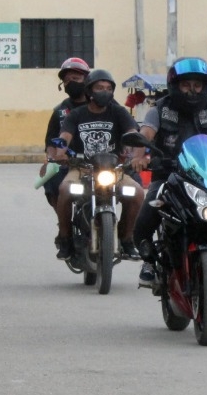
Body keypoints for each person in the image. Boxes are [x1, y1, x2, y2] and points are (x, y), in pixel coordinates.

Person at [132, 57, 207, 286]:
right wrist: (139, 156)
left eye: (197, 85)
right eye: (186, 85)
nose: (192, 91)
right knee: (148, 211)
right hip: (169, 175)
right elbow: (145, 133)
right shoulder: (160, 109)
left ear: (205, 86)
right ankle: (149, 260)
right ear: (175, 85)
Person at [54, 68, 144, 258]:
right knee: (64, 189)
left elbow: (131, 132)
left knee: (136, 193)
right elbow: (65, 136)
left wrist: (137, 154)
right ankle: (65, 238)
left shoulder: (118, 112)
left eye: (108, 88)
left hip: (114, 169)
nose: (104, 92)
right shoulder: (76, 115)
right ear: (89, 91)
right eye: (99, 88)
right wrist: (61, 151)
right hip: (81, 168)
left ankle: (127, 239)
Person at [42, 57, 92, 256]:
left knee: (134, 187)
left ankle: (124, 237)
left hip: (102, 162)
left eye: (77, 77)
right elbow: (51, 143)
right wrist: (51, 159)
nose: (72, 82)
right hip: (70, 163)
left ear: (87, 79)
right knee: (53, 182)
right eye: (68, 79)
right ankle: (65, 231)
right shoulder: (60, 111)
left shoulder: (101, 104)